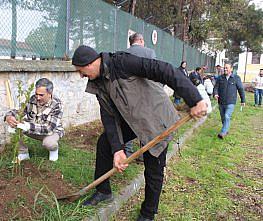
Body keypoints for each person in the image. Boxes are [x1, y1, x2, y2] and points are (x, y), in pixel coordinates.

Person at [72, 45, 207, 221]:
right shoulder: (97, 83)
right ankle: (103, 191)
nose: (81, 76)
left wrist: (194, 99)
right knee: (105, 143)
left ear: (90, 63)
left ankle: (148, 213)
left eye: (81, 71)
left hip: (155, 117)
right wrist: (118, 149)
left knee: (153, 164)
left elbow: (165, 70)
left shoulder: (122, 63)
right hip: (132, 118)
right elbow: (108, 116)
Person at [5, 78, 64, 161]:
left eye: (41, 95)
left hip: (52, 132)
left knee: (49, 143)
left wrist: (28, 126)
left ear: (50, 93)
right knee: (14, 127)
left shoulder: (57, 104)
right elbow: (20, 110)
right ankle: (23, 154)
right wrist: (9, 116)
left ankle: (54, 150)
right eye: (36, 94)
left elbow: (49, 128)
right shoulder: (33, 99)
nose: (38, 97)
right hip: (34, 128)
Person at [124, 32, 158, 160]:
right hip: (146, 96)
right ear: (141, 41)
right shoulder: (149, 53)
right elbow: (156, 73)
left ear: (131, 42)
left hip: (128, 96)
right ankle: (143, 155)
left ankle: (127, 152)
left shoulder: (123, 54)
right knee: (145, 124)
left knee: (127, 122)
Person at [213, 63, 245, 139]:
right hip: (221, 101)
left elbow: (240, 89)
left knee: (227, 116)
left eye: (227, 68)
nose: (225, 69)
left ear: (231, 69)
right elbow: (216, 87)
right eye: (224, 68)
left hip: (231, 102)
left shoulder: (236, 78)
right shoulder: (220, 78)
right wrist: (215, 94)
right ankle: (226, 129)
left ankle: (223, 132)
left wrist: (243, 100)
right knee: (223, 117)